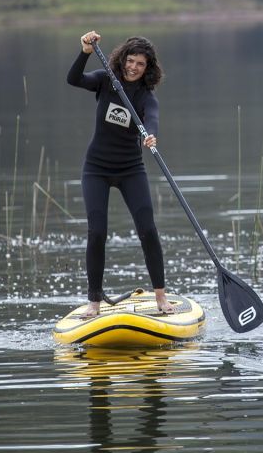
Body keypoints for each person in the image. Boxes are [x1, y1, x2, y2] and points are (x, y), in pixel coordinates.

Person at [67, 31, 175, 317]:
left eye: (140, 63)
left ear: (147, 68)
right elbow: (73, 79)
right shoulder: (105, 80)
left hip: (131, 170)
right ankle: (94, 303)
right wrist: (85, 52)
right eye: (130, 61)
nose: (133, 67)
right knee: (97, 231)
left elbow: (151, 119)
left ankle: (161, 298)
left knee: (148, 229)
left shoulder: (146, 96)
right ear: (122, 59)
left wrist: (151, 136)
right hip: (96, 169)